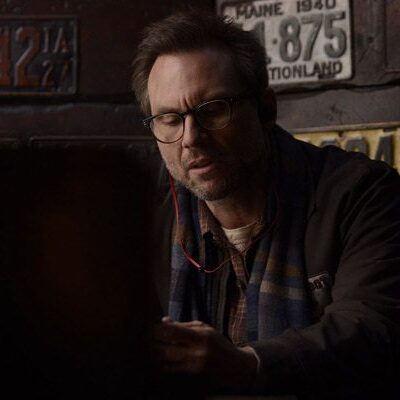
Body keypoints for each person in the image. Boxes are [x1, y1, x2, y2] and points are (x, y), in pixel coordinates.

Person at [131, 10, 400, 399]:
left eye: (213, 110)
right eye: (170, 119)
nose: (190, 138)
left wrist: (249, 366)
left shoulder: (362, 194)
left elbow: (374, 329)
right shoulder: (151, 218)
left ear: (266, 109)